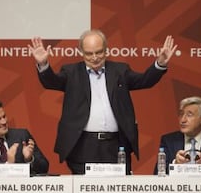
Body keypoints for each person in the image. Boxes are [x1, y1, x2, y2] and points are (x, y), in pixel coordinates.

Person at [29, 29, 178, 174]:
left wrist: (160, 63)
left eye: (99, 52)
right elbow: (51, 82)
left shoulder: (120, 71)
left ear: (106, 50)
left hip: (116, 146)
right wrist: (43, 65)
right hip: (83, 146)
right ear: (81, 52)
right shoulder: (71, 72)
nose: (95, 57)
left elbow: (145, 80)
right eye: (89, 53)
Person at [0, 99, 49, 175]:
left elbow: (44, 168)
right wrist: (8, 165)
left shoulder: (22, 136)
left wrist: (29, 159)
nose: (4, 121)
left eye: (4, 116)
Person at [153, 96, 201, 175]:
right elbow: (157, 173)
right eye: (181, 114)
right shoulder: (168, 141)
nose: (183, 120)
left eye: (189, 115)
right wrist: (175, 164)